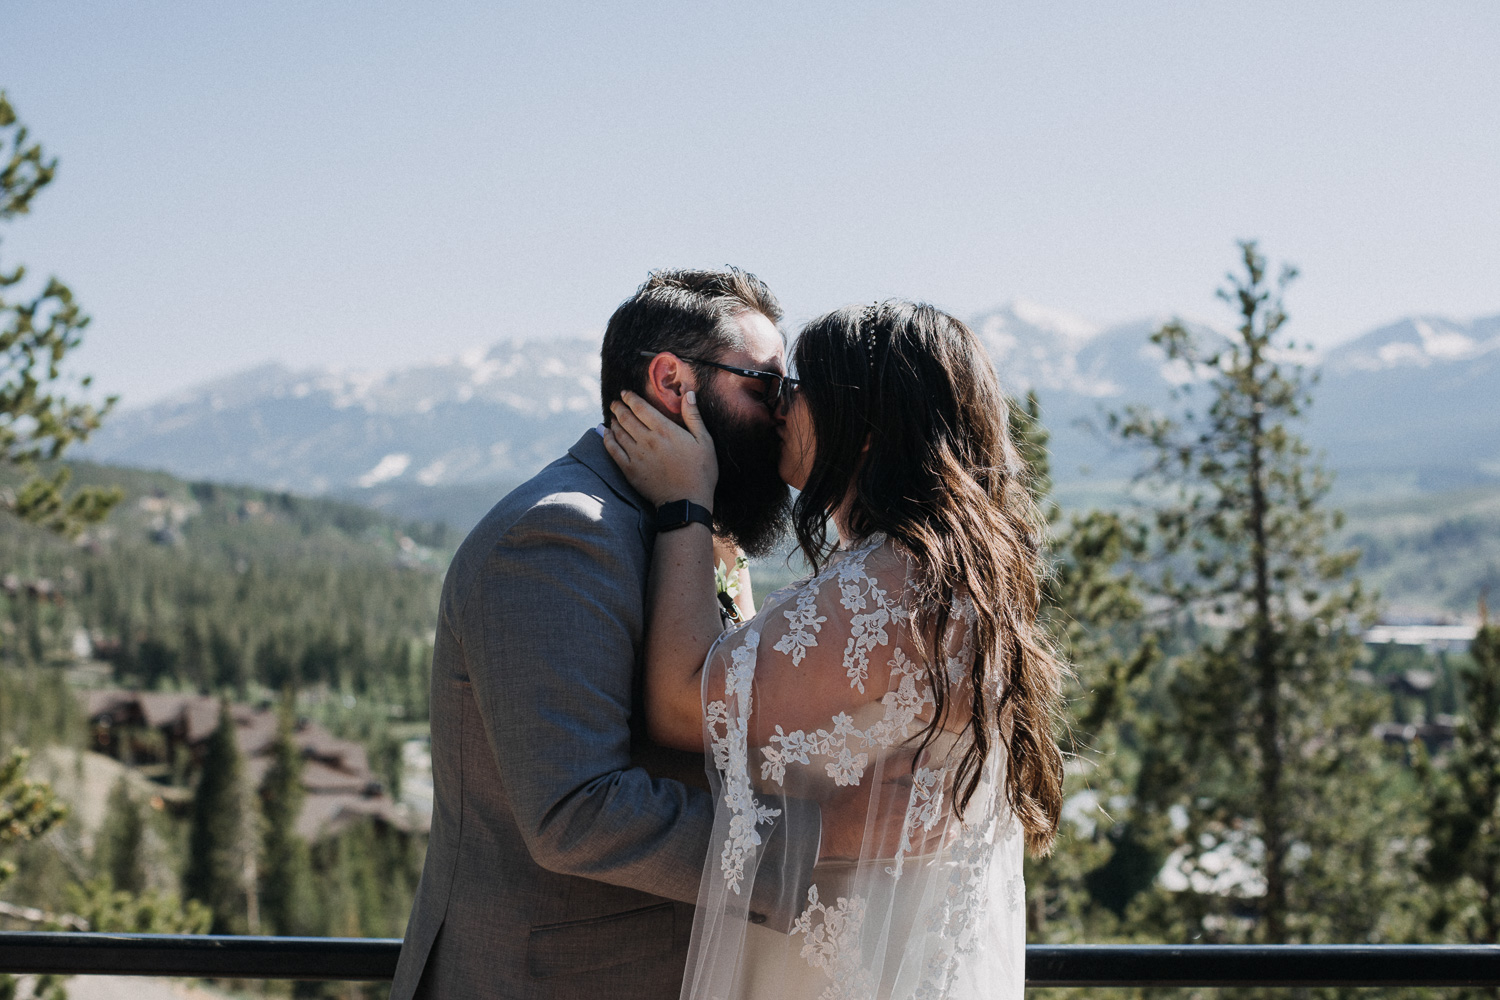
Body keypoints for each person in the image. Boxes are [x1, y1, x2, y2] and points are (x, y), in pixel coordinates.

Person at [389, 268, 889, 1000]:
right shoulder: (560, 534)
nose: (784, 414)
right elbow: (577, 812)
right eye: (763, 387)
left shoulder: (676, 525)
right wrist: (823, 838)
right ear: (674, 382)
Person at [603, 300, 1067, 1000]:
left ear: (868, 426)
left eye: (800, 388)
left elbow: (678, 706)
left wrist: (685, 507)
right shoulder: (948, 577)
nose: (780, 407)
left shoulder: (879, 591)